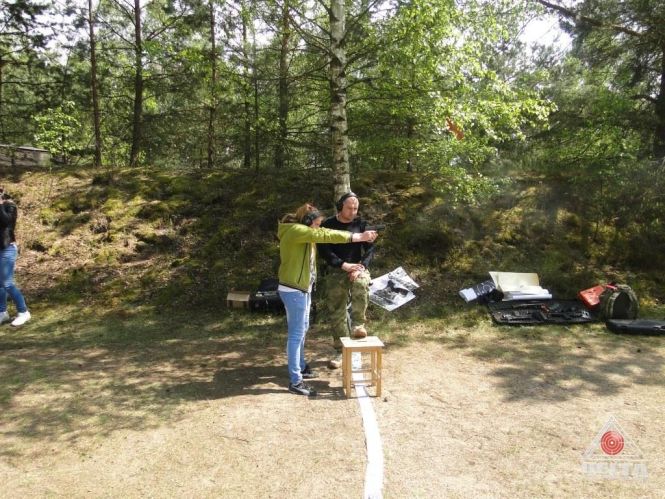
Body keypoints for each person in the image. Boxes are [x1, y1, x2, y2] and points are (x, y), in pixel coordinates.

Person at [277, 202, 378, 396]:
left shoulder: (301, 231)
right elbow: (327, 235)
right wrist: (358, 237)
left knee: (302, 329)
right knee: (296, 335)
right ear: (307, 221)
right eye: (316, 224)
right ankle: (295, 381)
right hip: (294, 291)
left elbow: (322, 235)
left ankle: (301, 367)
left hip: (301, 289)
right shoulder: (296, 230)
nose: (318, 228)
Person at [318, 192, 375, 369]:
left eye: (356, 208)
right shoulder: (327, 224)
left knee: (361, 283)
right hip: (336, 269)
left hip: (357, 268)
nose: (353, 212)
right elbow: (324, 251)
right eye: (349, 208)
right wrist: (343, 265)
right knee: (337, 311)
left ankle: (358, 325)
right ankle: (340, 350)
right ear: (340, 207)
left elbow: (370, 249)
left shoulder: (361, 224)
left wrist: (361, 267)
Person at [0, 188, 31, 327]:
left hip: (7, 249)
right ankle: (2, 312)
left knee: (7, 283)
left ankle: (23, 312)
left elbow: (6, 221)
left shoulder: (10, 206)